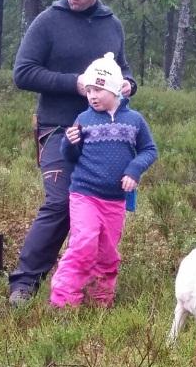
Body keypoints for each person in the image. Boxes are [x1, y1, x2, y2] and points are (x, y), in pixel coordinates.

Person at [7, 0, 137, 305]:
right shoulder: (48, 21)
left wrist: (128, 85)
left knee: (101, 205)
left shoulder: (112, 25)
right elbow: (23, 73)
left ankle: (92, 282)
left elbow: (123, 69)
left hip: (103, 134)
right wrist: (75, 84)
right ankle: (24, 282)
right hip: (59, 128)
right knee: (62, 201)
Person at [48, 54, 157, 308]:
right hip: (84, 195)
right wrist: (69, 143)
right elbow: (70, 156)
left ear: (116, 89)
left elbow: (149, 150)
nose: (92, 96)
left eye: (98, 89)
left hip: (115, 200)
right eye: (88, 90)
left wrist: (134, 170)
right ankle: (63, 301)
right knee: (83, 244)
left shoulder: (135, 121)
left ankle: (101, 300)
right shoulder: (83, 120)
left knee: (108, 252)